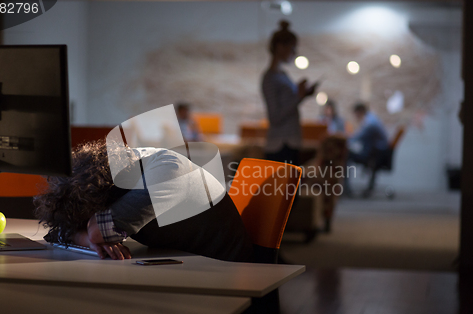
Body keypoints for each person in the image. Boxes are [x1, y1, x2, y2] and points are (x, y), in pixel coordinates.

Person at [34, 140, 253, 262]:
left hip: (225, 269)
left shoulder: (167, 174)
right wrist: (83, 235)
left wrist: (90, 234)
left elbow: (96, 232)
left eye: (93, 214)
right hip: (187, 261)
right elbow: (57, 230)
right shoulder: (126, 164)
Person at [261, 20, 318, 165]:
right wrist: (298, 96)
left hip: (289, 142)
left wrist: (302, 95)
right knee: (284, 187)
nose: (294, 52)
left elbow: (289, 104)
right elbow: (275, 117)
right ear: (280, 47)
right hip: (281, 144)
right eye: (292, 48)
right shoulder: (270, 78)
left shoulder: (281, 75)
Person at [345, 102, 389, 196]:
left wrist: (344, 140)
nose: (355, 117)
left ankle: (346, 188)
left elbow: (357, 138)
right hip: (376, 153)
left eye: (355, 114)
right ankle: (347, 187)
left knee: (346, 154)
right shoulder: (372, 119)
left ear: (360, 112)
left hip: (375, 155)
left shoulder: (370, 123)